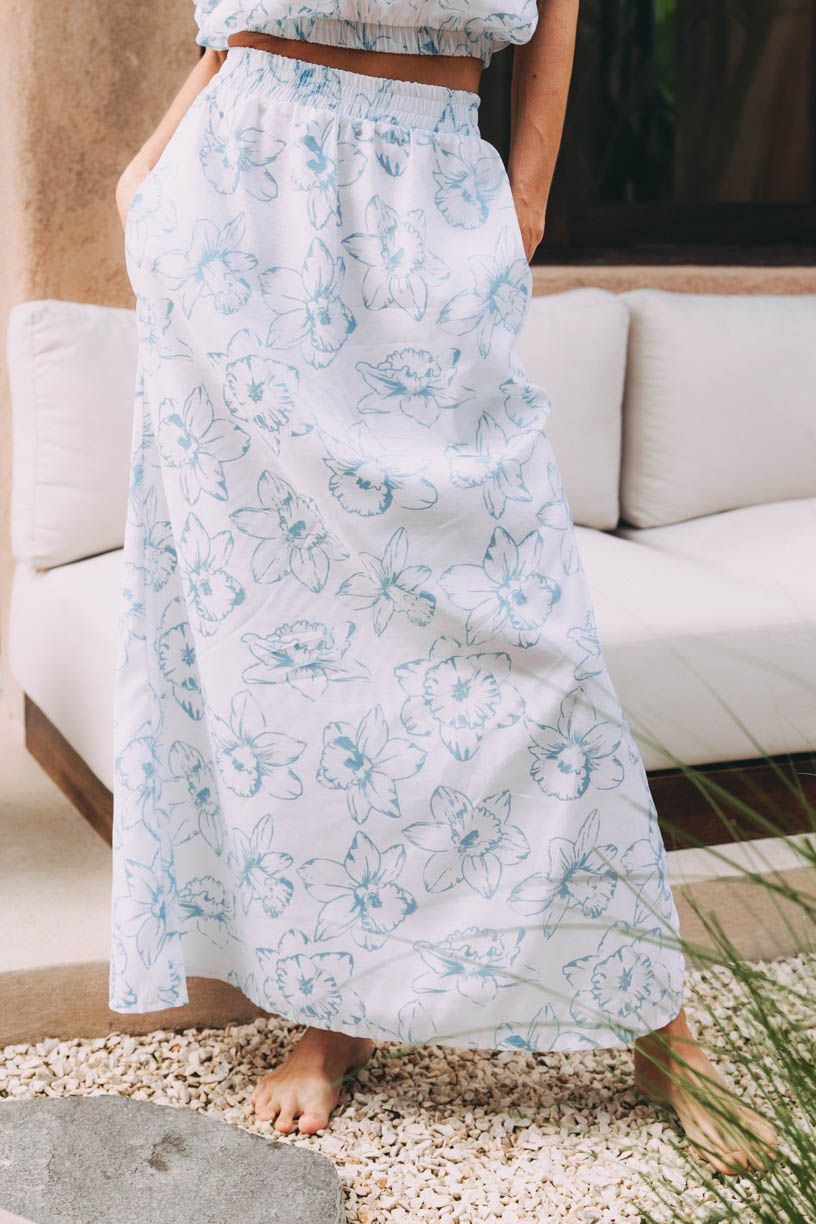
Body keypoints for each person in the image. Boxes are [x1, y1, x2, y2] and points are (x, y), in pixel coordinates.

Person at [112, 0, 777, 1176]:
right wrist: (151, 168)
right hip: (236, 195)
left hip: (429, 183)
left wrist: (527, 197)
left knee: (529, 635)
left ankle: (658, 1024)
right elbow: (237, 33)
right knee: (305, 648)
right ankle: (340, 1009)